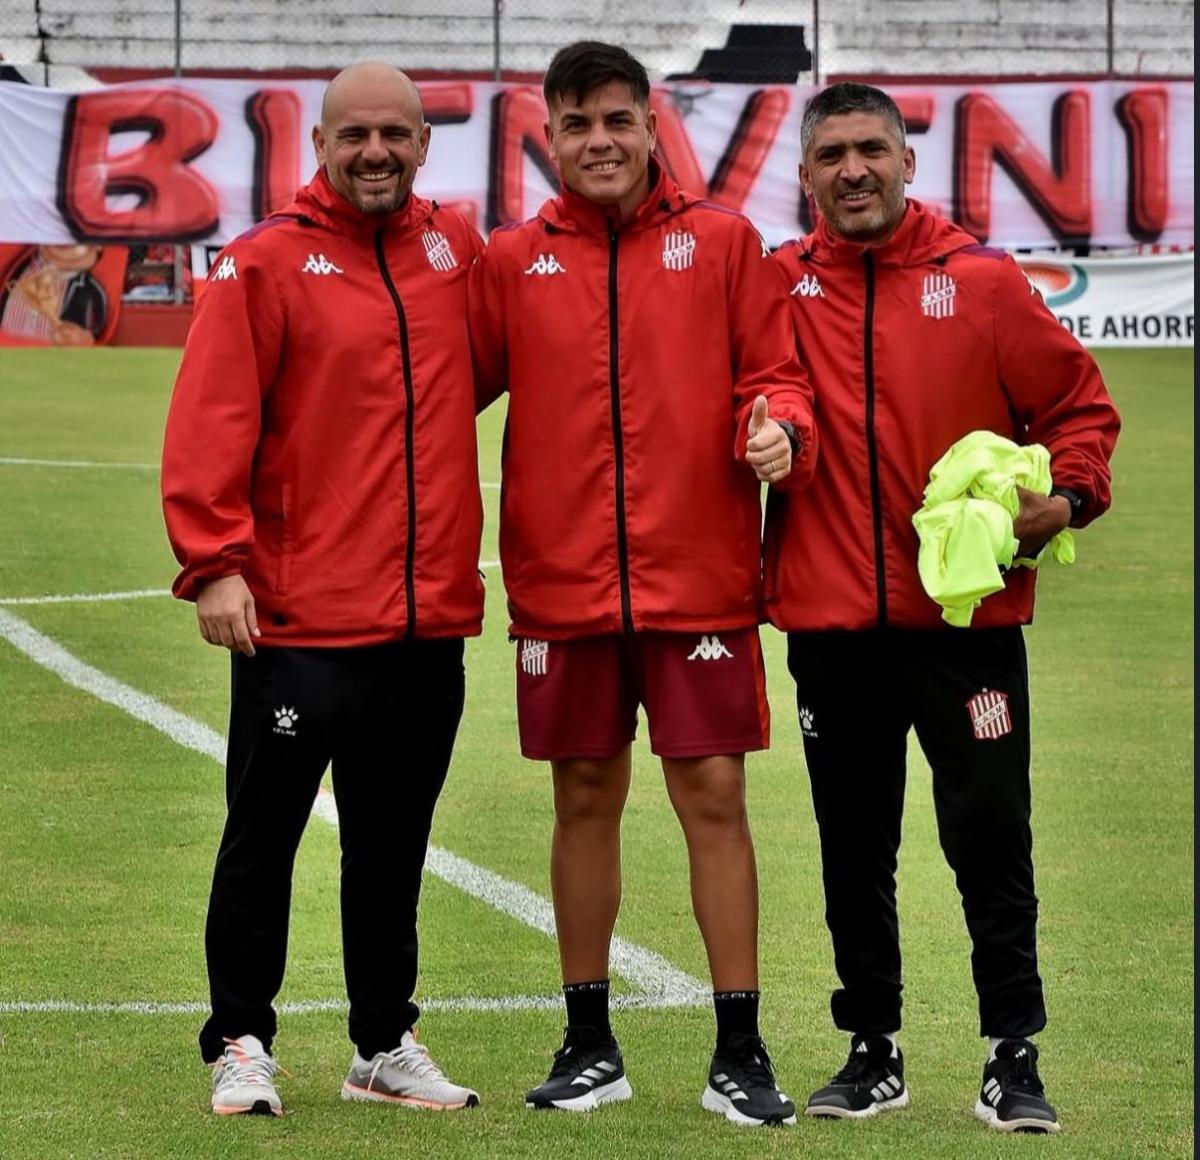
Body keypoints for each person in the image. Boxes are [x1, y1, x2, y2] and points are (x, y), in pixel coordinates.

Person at [469, 41, 816, 1126]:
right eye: (576, 125)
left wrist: (781, 429)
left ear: (650, 123)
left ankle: (741, 1047)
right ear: (550, 137)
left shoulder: (722, 243)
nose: (600, 141)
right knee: (582, 793)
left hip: (698, 580)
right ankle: (587, 1041)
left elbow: (779, 373)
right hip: (562, 585)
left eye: (617, 119)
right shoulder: (511, 259)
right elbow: (436, 395)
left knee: (714, 794)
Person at [768, 82, 1121, 1132]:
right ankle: (871, 1047)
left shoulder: (980, 280)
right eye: (831, 154)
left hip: (966, 631)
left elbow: (1078, 405)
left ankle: (1013, 1053)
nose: (853, 170)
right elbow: (760, 392)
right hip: (832, 627)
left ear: (908, 160)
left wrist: (1066, 498)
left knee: (990, 837)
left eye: (871, 149)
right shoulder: (779, 287)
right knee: (852, 841)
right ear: (805, 173)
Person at [161, 62, 485, 1117]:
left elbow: (471, 378)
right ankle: (241, 1036)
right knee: (265, 836)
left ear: (423, 144)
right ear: (324, 145)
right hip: (299, 618)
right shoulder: (263, 263)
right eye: (356, 137)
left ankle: (383, 1041)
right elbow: (213, 414)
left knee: (393, 845)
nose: (377, 152)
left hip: (425, 618)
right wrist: (216, 560)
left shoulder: (456, 252)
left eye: (396, 134)